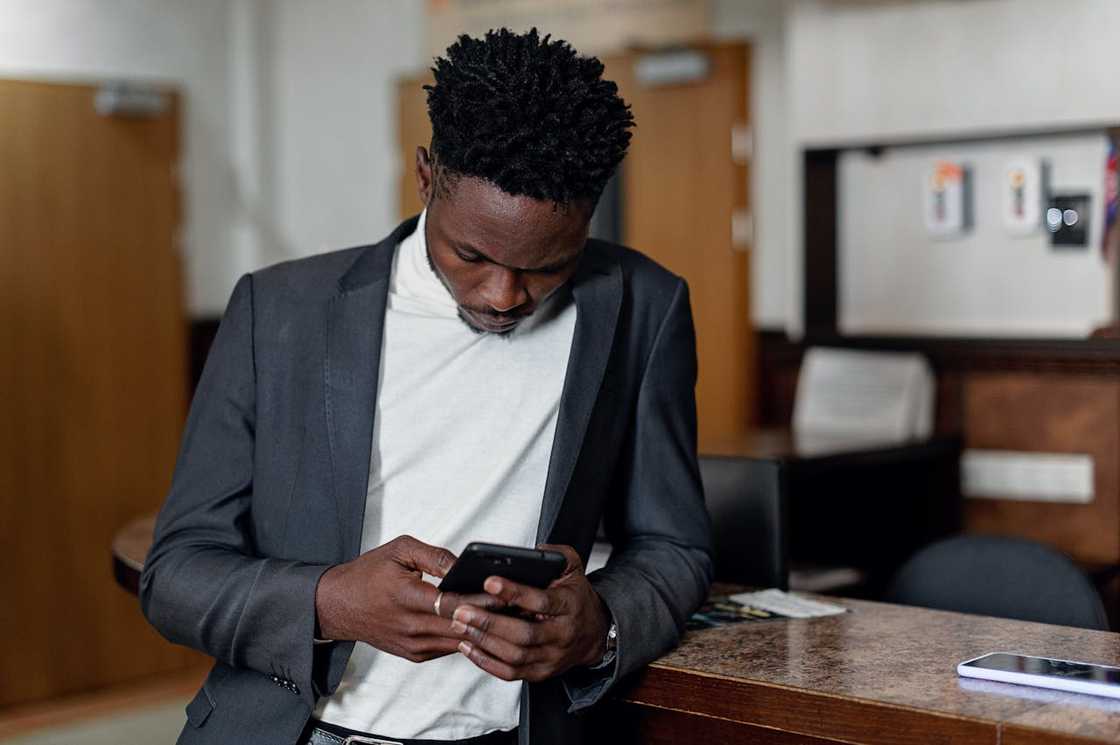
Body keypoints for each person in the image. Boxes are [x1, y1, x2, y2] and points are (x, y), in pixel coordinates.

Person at [140, 28, 711, 745]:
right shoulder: (279, 310)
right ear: (424, 175)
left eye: (547, 266)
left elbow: (673, 545)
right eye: (471, 253)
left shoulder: (642, 306)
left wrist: (601, 624)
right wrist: (331, 602)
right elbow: (174, 575)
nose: (504, 295)